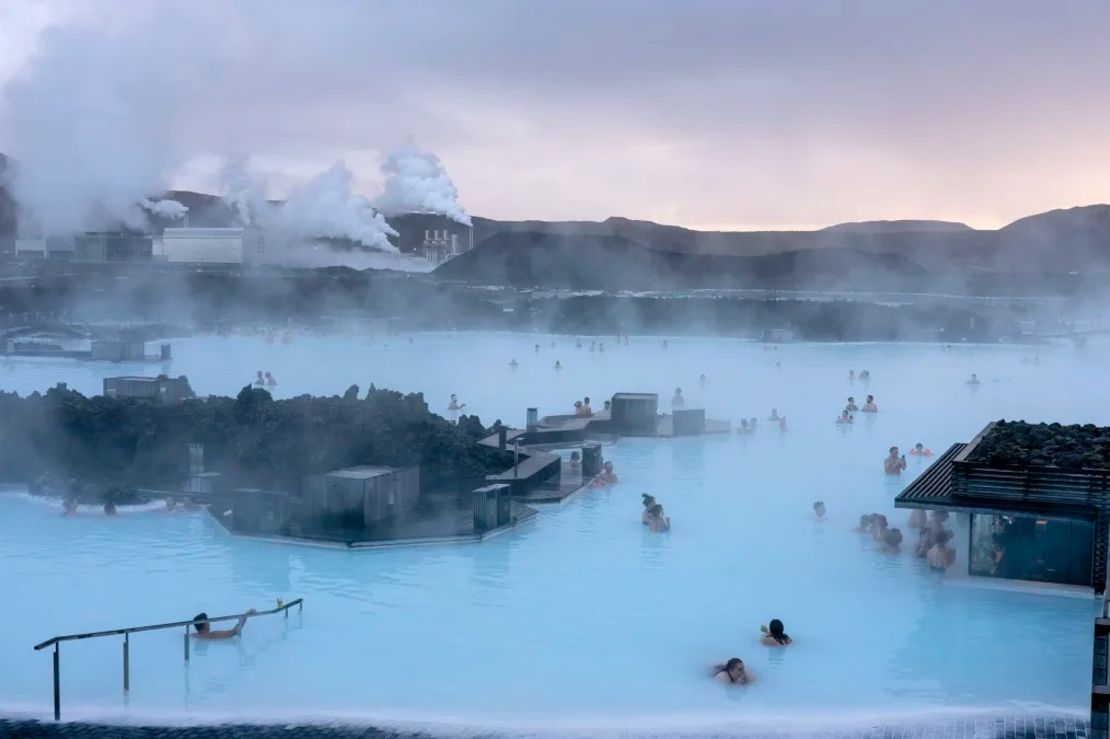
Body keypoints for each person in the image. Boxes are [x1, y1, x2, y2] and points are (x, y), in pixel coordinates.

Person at [191, 608, 259, 640]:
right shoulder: (213, 635)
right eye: (208, 621)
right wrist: (246, 615)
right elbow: (234, 632)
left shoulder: (193, 636)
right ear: (205, 624)